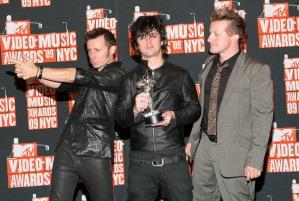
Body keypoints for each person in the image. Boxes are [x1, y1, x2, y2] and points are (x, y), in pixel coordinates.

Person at [9, 27, 126, 201]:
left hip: (95, 151)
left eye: (98, 50)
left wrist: (38, 70)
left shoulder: (118, 75)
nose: (92, 55)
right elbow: (62, 84)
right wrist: (34, 75)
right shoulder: (92, 74)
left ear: (113, 50)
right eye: (89, 50)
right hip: (67, 147)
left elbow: (80, 76)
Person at [186, 7, 273, 201]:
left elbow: (263, 117)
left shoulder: (256, 70)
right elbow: (203, 106)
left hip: (236, 153)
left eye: (216, 34)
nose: (209, 38)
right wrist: (193, 140)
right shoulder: (209, 64)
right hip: (204, 149)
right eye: (210, 33)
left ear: (234, 37)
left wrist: (255, 159)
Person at [116, 15, 201, 201]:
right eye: (142, 36)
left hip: (174, 158)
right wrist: (135, 111)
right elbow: (120, 119)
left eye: (153, 35)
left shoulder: (180, 75)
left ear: (162, 40)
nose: (148, 40)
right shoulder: (129, 79)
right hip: (141, 161)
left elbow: (195, 109)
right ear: (135, 45)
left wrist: (174, 115)